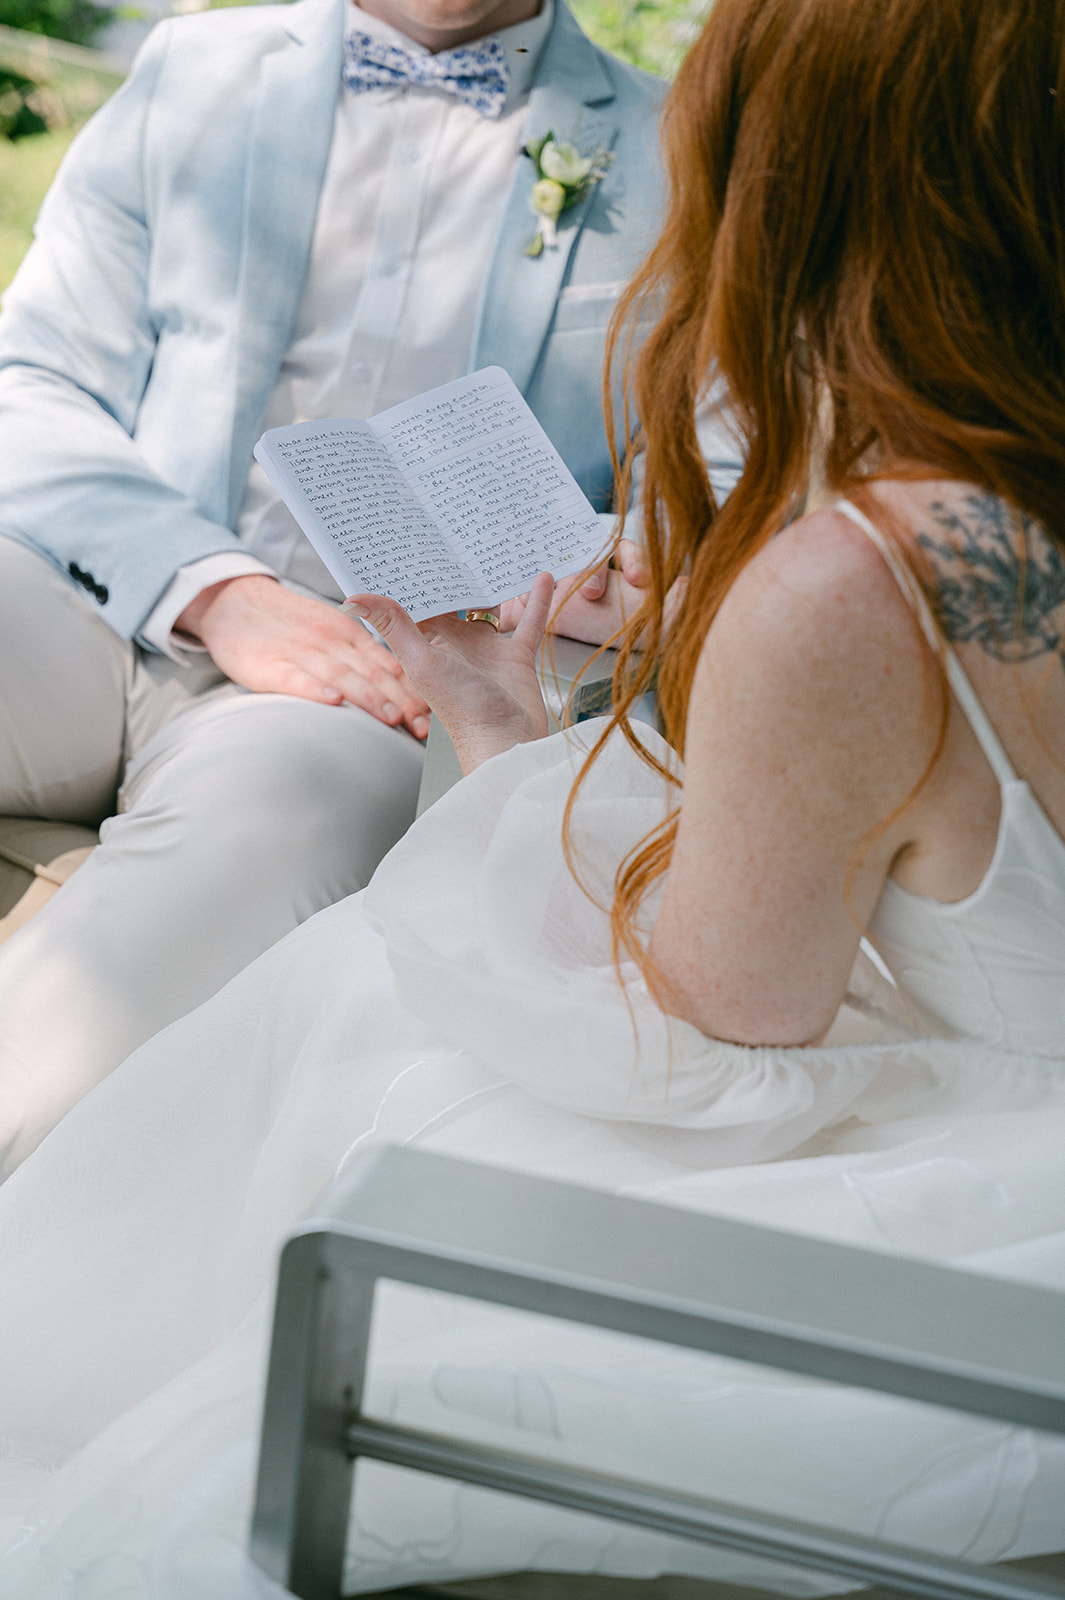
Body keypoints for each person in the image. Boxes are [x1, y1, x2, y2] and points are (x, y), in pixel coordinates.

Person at [1, 0, 1064, 1591]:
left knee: (354, 1012)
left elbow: (695, 1044)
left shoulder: (848, 586)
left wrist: (495, 730)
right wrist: (232, 593)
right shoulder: (979, 520)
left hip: (956, 1190)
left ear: (795, 189)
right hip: (122, 592)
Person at [0, 0, 673, 1175]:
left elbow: (714, 476)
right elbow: (33, 377)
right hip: (119, 589)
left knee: (268, 828)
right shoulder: (191, 69)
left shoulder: (678, 147)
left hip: (384, 684)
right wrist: (213, 587)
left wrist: (623, 557)